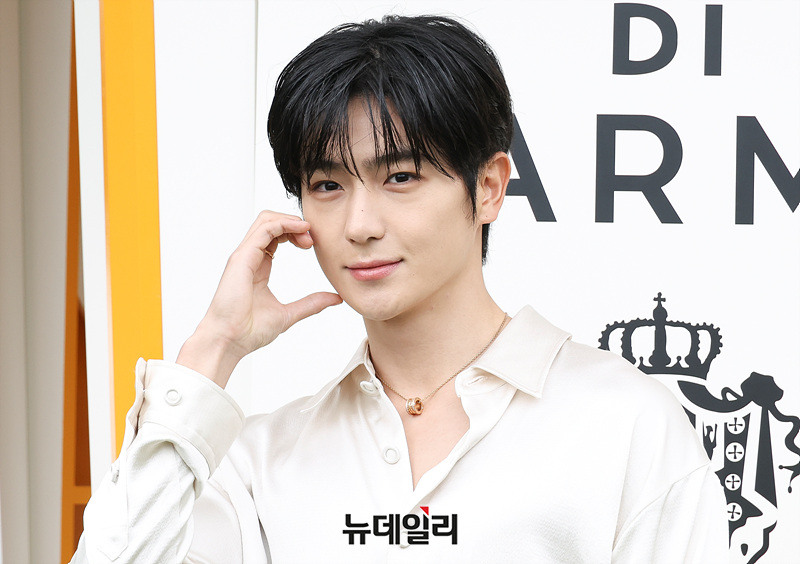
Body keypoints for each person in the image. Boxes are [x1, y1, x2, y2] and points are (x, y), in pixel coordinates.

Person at [72, 14, 728, 563]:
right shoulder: (262, 459)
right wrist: (213, 348)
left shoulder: (623, 422)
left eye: (401, 177)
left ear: (489, 187)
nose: (359, 225)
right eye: (328, 185)